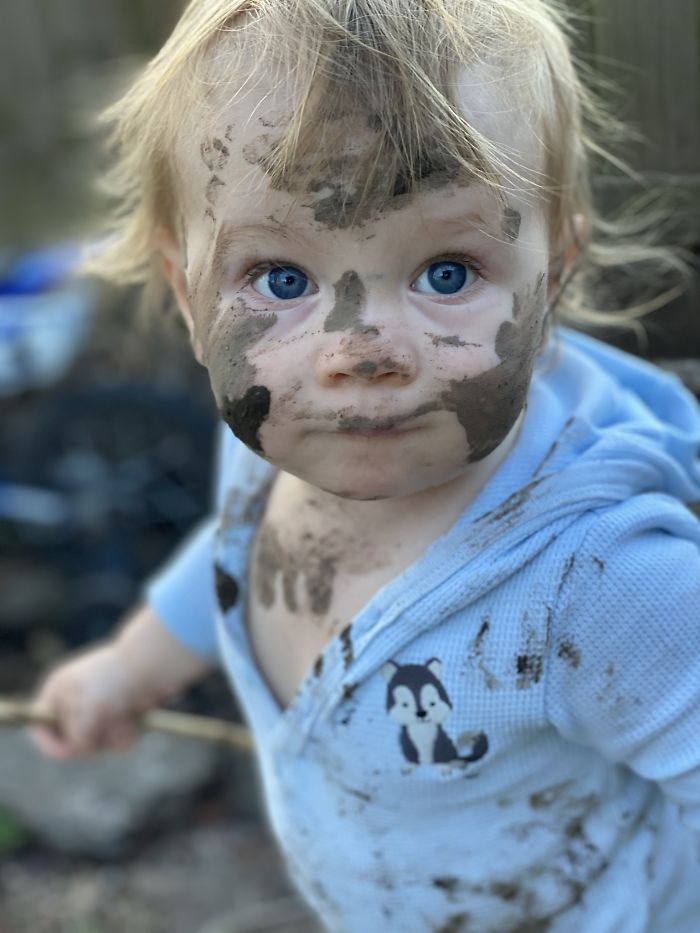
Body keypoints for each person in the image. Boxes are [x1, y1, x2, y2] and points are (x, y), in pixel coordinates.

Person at [28, 0, 700, 929]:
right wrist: (131, 666)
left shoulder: (602, 581)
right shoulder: (280, 446)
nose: (360, 350)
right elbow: (235, 555)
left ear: (553, 279)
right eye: (282, 280)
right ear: (189, 296)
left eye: (448, 272)